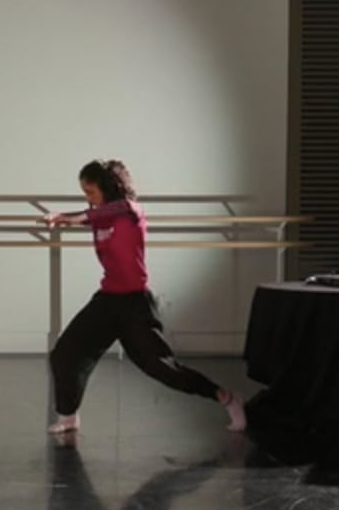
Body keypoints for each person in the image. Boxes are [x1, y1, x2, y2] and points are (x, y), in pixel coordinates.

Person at [41, 159, 245, 436]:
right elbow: (97, 215)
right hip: (107, 299)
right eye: (84, 194)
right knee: (66, 353)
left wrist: (72, 217)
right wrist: (67, 217)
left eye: (90, 192)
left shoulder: (131, 212)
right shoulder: (99, 215)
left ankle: (227, 398)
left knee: (161, 367)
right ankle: (68, 416)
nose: (87, 199)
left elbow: (122, 207)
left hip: (135, 304)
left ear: (108, 188)